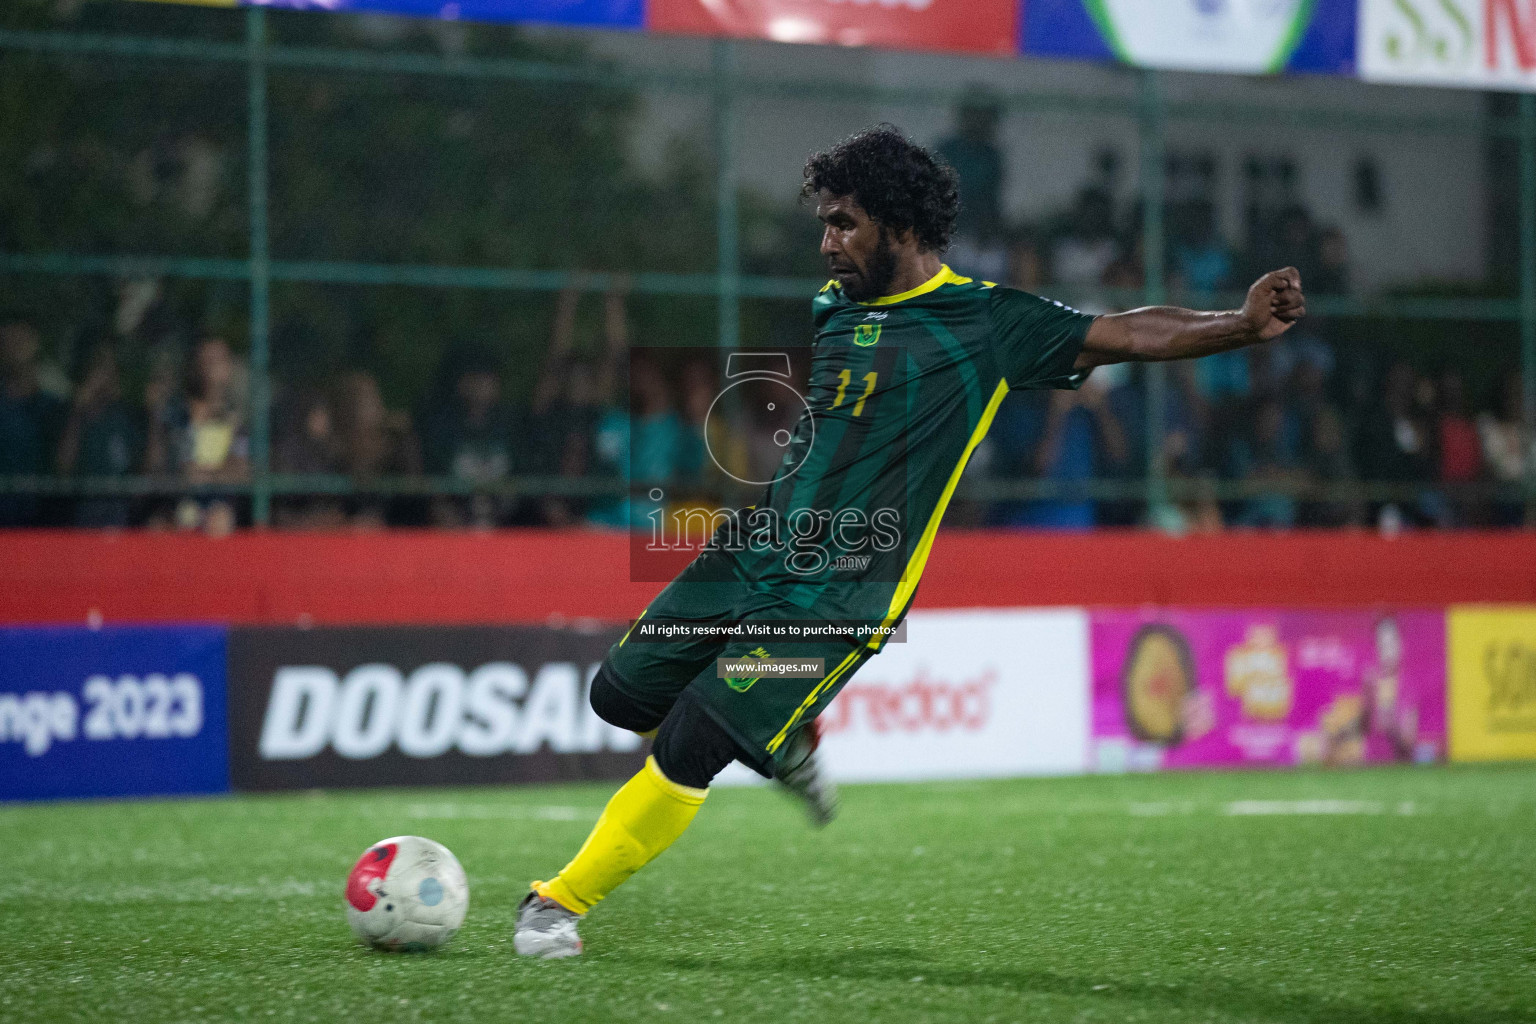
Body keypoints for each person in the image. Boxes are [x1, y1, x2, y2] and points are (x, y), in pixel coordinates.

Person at [513, 125, 1307, 958]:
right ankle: (791, 742)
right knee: (618, 698)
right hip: (746, 555)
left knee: (693, 742)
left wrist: (1241, 325)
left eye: (844, 224)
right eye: (825, 223)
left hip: (837, 600)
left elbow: (1128, 333)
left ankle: (556, 905)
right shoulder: (837, 308)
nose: (827, 244)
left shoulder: (988, 322)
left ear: (901, 225)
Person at [56, 343, 144, 528]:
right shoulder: (69, 414)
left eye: (110, 368)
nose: (105, 375)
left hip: (120, 509)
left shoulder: (127, 416)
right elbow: (63, 466)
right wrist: (78, 410)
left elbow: (142, 472)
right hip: (80, 508)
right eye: (99, 367)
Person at [0, 321, 67, 527]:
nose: (16, 346)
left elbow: (62, 466)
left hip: (43, 521)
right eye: (9, 341)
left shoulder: (54, 406)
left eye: (22, 340)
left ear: (35, 344)